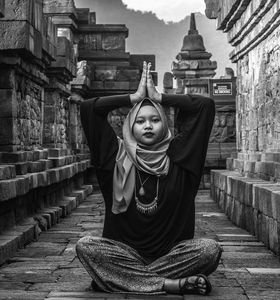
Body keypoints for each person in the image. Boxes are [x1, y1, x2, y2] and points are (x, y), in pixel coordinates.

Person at [76, 61, 222, 295]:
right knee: (86, 246)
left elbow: (205, 106)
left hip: (172, 254)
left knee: (209, 249)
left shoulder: (181, 160)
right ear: (130, 126)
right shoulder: (114, 157)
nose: (147, 126)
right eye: (140, 121)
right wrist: (133, 98)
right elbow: (88, 109)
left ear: (164, 125)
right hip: (125, 253)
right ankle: (168, 284)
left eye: (155, 120)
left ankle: (119, 279)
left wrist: (160, 97)